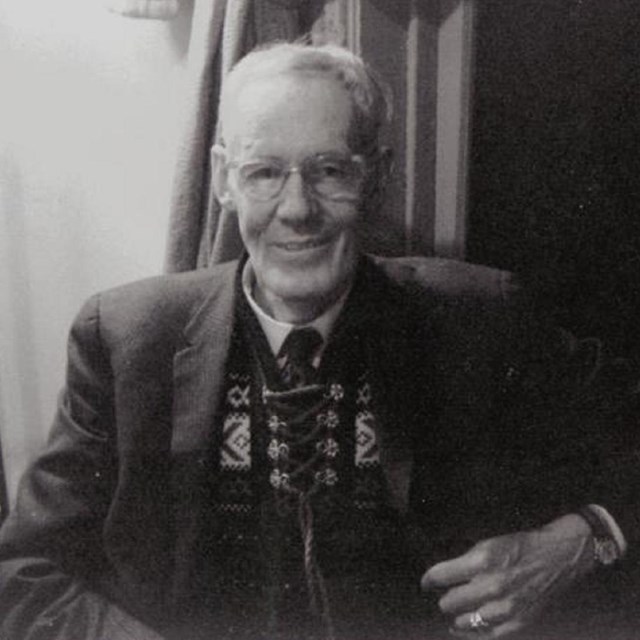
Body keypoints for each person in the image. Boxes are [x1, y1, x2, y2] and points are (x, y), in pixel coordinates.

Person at [0, 42, 637, 640]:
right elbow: (24, 573)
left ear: (377, 175)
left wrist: (584, 539)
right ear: (223, 180)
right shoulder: (125, 337)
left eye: (330, 170)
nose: (296, 207)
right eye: (264, 173)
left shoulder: (479, 316)